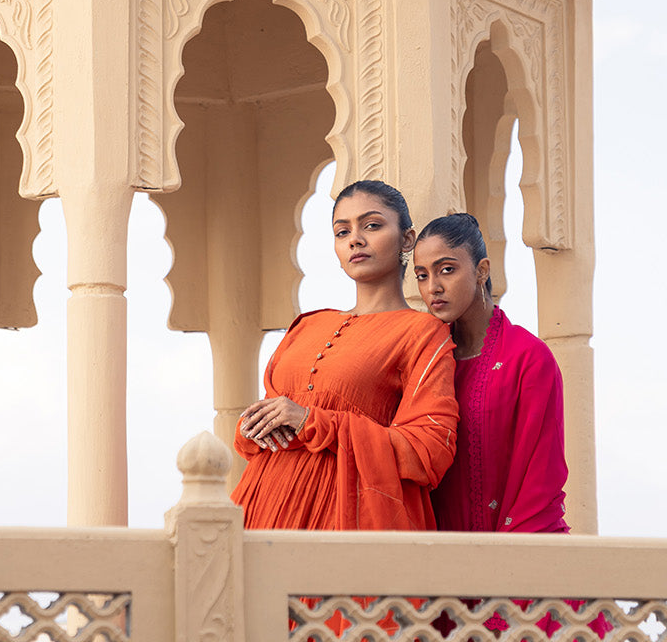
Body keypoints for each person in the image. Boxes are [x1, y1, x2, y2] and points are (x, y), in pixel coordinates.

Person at [231, 179, 458, 530]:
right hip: (260, 511)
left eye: (372, 225)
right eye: (342, 231)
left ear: (407, 239)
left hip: (343, 518)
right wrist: (255, 425)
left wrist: (313, 421)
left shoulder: (423, 333)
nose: (355, 239)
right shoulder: (306, 327)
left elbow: (428, 451)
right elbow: (267, 427)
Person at [413, 212, 569, 532]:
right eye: (422, 275)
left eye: (447, 270)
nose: (434, 287)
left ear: (481, 270)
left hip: (519, 554)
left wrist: (500, 564)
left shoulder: (528, 359)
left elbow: (541, 477)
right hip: (439, 560)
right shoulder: (425, 361)